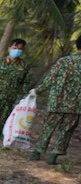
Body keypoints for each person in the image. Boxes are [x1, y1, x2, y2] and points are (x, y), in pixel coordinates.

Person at [29, 34, 81, 165]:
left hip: (56, 101)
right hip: (76, 105)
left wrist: (38, 90)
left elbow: (50, 79)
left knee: (48, 126)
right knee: (66, 130)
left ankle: (37, 153)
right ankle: (53, 156)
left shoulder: (63, 61)